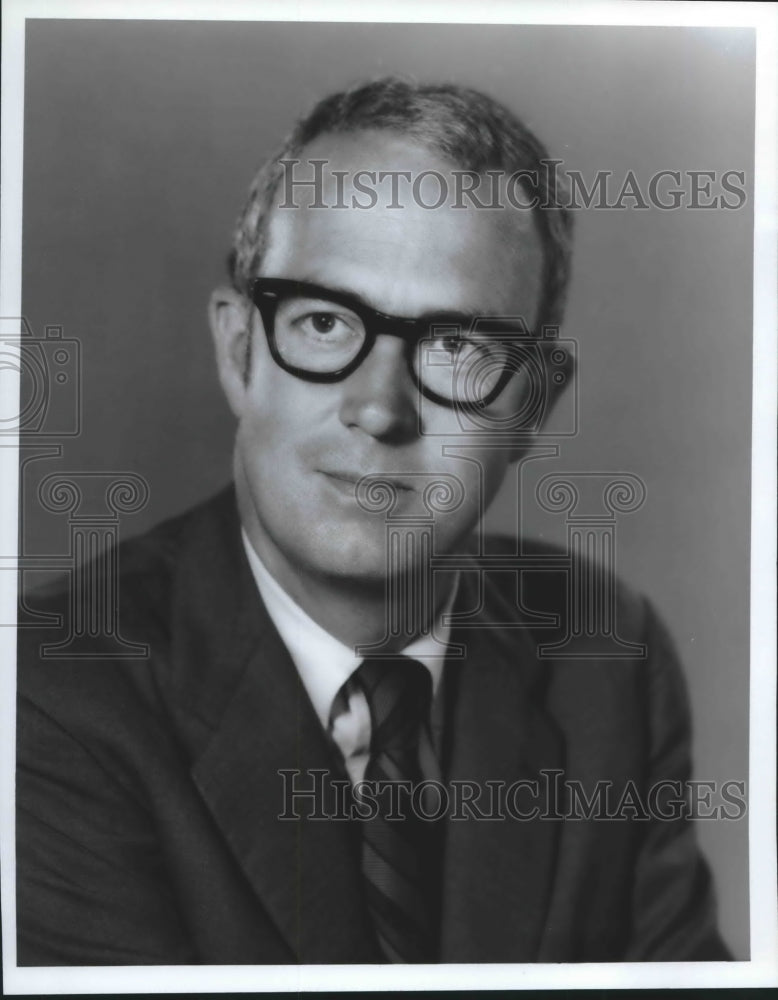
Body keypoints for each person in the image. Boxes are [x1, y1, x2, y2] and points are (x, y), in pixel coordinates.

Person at [16, 77, 730, 965]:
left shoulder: (605, 656)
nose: (379, 408)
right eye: (324, 322)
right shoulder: (48, 696)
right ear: (240, 352)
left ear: (535, 407)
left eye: (457, 347)